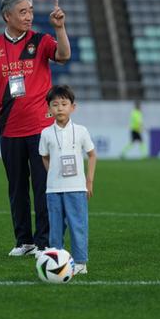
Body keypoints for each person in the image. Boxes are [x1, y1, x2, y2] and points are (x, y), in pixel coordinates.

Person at [0, 0, 71, 256]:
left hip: (42, 129)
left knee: (43, 187)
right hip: (9, 129)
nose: (29, 16)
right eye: (23, 11)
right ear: (7, 16)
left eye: (30, 10)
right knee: (17, 189)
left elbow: (64, 55)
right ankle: (24, 241)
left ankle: (43, 242)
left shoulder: (41, 41)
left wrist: (60, 28)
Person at [39, 85, 96, 275]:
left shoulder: (81, 131)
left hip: (77, 188)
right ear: (49, 109)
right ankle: (56, 260)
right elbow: (44, 156)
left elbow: (92, 154)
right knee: (55, 228)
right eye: (55, 105)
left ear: (73, 107)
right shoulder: (46, 133)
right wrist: (52, 173)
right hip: (53, 189)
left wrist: (89, 181)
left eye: (64, 104)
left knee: (78, 225)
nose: (60, 108)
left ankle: (80, 262)